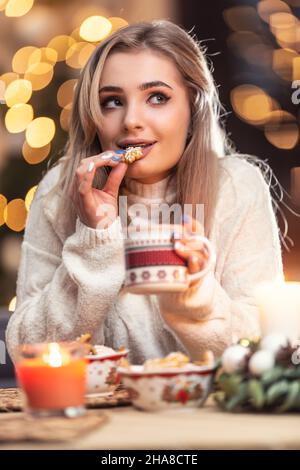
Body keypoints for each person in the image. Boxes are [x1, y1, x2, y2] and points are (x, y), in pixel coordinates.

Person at [6, 20, 284, 364]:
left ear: (194, 107)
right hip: (94, 415)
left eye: (157, 97)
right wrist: (94, 241)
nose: (131, 120)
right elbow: (26, 353)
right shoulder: (59, 192)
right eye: (111, 102)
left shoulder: (237, 187)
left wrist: (196, 297)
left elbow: (265, 351)